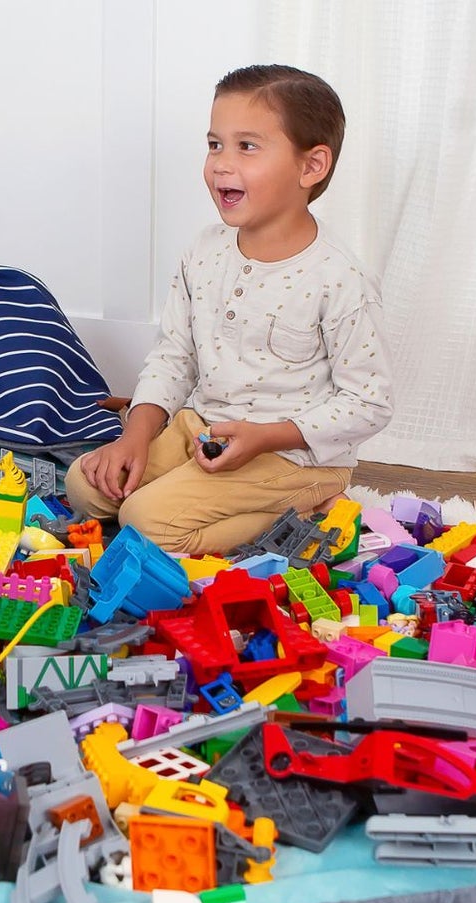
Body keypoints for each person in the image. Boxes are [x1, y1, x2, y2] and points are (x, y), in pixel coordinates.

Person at [66, 64, 393, 555]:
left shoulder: (339, 277)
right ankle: (181, 490)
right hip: (203, 427)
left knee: (145, 522)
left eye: (247, 146)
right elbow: (176, 355)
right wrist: (135, 435)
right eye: (215, 144)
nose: (220, 163)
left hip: (291, 457)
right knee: (86, 485)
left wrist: (265, 438)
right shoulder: (205, 250)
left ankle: (309, 509)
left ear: (311, 167)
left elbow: (369, 403)